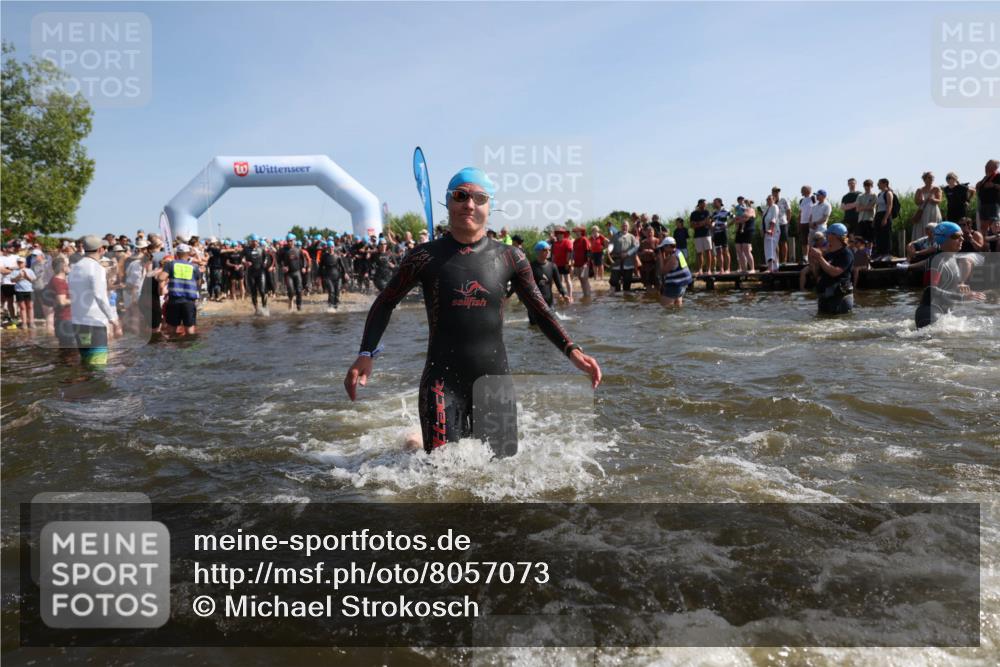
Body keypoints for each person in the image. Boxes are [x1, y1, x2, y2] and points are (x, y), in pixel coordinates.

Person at [344, 167, 601, 456]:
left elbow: (540, 311)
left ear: (489, 206)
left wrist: (572, 350)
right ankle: (414, 442)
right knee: (440, 476)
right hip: (441, 384)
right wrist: (366, 353)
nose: (469, 204)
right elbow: (385, 302)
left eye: (479, 198)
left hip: (495, 382)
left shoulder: (510, 257)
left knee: (503, 473)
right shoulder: (423, 257)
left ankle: (415, 441)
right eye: (461, 196)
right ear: (448, 203)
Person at [914, 221, 986, 328]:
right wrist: (962, 297)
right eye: (956, 236)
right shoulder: (936, 261)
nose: (962, 239)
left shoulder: (951, 258)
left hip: (944, 315)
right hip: (929, 315)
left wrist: (960, 289)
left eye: (962, 236)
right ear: (943, 238)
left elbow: (945, 286)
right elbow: (930, 290)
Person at [68, 235, 121, 365]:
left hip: (78, 323)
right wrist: (113, 320)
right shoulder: (96, 268)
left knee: (86, 363)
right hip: (94, 324)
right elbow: (100, 296)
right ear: (100, 249)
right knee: (98, 367)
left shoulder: (75, 267)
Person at [808, 223, 854, 315]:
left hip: (839, 299)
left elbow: (835, 272)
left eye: (828, 234)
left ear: (835, 236)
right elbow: (818, 275)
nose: (826, 236)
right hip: (825, 297)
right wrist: (814, 262)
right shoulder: (828, 254)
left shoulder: (846, 253)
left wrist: (820, 258)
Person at [158, 243, 202, 336]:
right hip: (189, 301)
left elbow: (161, 278)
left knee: (171, 329)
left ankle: (174, 349)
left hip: (174, 301)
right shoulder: (194, 267)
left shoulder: (171, 264)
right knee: (190, 330)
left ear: (177, 254)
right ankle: (190, 347)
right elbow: (199, 283)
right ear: (188, 254)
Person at [43, 255, 75, 348]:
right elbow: (62, 301)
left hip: (63, 320)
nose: (69, 267)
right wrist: (77, 301)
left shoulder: (57, 280)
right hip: (65, 321)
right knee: (70, 352)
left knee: (66, 352)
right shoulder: (59, 282)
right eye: (68, 265)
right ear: (63, 267)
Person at [656, 236, 692, 307]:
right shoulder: (678, 252)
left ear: (668, 246)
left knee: (664, 308)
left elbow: (662, 271)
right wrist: (662, 254)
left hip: (675, 285)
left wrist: (660, 256)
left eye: (663, 247)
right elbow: (667, 262)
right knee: (677, 308)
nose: (663, 249)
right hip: (682, 284)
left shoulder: (673, 257)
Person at [279, 234, 310, 310]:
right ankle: (290, 301)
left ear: (294, 241)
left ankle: (299, 307)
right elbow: (278, 260)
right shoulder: (283, 250)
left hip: (297, 272)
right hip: (288, 274)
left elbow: (304, 260)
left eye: (291, 241)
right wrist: (283, 266)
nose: (289, 242)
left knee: (299, 290)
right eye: (288, 241)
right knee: (291, 290)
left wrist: (304, 267)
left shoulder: (298, 250)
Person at [243, 234, 271, 316]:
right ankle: (256, 309)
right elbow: (242, 258)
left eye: (256, 241)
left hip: (260, 272)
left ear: (258, 241)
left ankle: (264, 307)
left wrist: (265, 263)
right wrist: (245, 262)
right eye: (253, 241)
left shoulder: (261, 249)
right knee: (253, 292)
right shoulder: (246, 249)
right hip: (251, 273)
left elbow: (266, 257)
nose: (255, 243)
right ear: (250, 241)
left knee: (262, 291)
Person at [609, 220, 640, 292]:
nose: (624, 227)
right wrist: (609, 252)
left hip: (628, 263)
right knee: (614, 282)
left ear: (628, 227)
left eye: (626, 226)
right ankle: (617, 300)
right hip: (617, 262)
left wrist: (627, 254)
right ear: (620, 227)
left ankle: (626, 301)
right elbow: (610, 247)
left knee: (627, 283)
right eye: (623, 225)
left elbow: (636, 247)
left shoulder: (632, 237)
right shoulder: (615, 236)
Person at [913, 172, 943, 244]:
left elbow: (939, 200)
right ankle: (922, 244)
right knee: (922, 227)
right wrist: (921, 201)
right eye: (929, 177)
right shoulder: (919, 190)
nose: (931, 179)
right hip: (923, 211)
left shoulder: (936, 189)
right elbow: (916, 202)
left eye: (932, 177)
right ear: (925, 179)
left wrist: (933, 200)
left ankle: (935, 244)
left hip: (933, 210)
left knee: (934, 226)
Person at [319, 241, 350, 311]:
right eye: (329, 247)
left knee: (337, 292)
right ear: (327, 248)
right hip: (328, 277)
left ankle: (336, 308)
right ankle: (330, 308)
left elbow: (342, 266)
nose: (331, 249)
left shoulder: (337, 256)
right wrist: (318, 277)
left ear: (334, 247)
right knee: (331, 291)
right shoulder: (324, 257)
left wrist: (345, 273)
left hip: (337, 277)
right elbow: (320, 267)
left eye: (332, 247)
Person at [975, 159, 1000, 238]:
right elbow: (980, 189)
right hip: (983, 204)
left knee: (994, 225)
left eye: (988, 166)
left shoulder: (998, 175)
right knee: (983, 227)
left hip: (993, 204)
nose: (985, 168)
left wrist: (994, 185)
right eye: (986, 166)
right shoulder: (985, 177)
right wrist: (978, 186)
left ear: (995, 167)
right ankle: (984, 245)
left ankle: (997, 245)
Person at [10, 257, 37, 328]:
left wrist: (26, 276)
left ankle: (31, 322)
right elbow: (12, 280)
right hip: (19, 291)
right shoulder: (14, 271)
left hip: (29, 290)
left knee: (30, 306)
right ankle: (24, 323)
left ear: (25, 263)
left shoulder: (29, 270)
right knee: (22, 307)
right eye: (19, 262)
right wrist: (19, 276)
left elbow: (33, 280)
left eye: (21, 262)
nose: (20, 264)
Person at [874, 178, 895, 261]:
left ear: (884, 183)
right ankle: (880, 253)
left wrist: (885, 218)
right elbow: (878, 207)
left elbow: (889, 206)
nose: (878, 185)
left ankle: (887, 254)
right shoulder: (879, 194)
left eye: (879, 183)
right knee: (879, 235)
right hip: (879, 215)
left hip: (885, 214)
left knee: (886, 235)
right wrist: (875, 219)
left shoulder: (888, 193)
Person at [551, 227, 574, 300]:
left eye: (561, 233)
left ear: (563, 234)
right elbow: (553, 255)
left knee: (567, 279)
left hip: (565, 264)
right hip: (556, 264)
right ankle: (561, 294)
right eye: (558, 233)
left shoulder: (567, 241)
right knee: (559, 280)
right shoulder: (555, 244)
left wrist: (568, 263)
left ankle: (570, 296)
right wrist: (552, 264)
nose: (559, 235)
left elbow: (569, 253)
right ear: (556, 235)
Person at [690, 199, 713, 275]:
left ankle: (708, 269)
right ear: (699, 204)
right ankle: (700, 269)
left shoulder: (707, 212)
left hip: (707, 234)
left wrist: (698, 224)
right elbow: (692, 225)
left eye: (705, 204)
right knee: (699, 253)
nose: (705, 205)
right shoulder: (693, 213)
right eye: (704, 204)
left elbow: (708, 221)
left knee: (708, 252)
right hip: (697, 235)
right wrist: (702, 223)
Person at [710, 198, 732, 273]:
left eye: (715, 202)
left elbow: (734, 218)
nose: (713, 204)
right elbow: (711, 222)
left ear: (719, 203)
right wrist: (712, 225)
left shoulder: (726, 210)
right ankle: (721, 269)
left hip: (723, 232)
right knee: (718, 252)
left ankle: (728, 269)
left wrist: (727, 225)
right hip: (716, 233)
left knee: (725, 251)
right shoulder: (714, 213)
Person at [771, 186, 791, 265]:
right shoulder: (771, 201)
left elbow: (789, 211)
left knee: (783, 242)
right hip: (774, 225)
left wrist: (788, 222)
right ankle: (777, 260)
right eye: (775, 191)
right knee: (775, 243)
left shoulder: (784, 200)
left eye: (777, 191)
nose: (776, 193)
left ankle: (784, 261)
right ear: (772, 192)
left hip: (783, 223)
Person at [855, 179, 878, 245]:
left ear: (872, 186)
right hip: (861, 220)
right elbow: (857, 209)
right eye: (865, 185)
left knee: (870, 239)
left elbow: (872, 207)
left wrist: (863, 207)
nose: (867, 187)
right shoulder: (860, 196)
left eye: (868, 185)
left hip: (870, 220)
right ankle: (863, 254)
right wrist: (867, 207)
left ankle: (870, 253)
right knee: (861, 239)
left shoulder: (874, 195)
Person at [571, 226, 592, 299]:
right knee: (580, 279)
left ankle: (588, 295)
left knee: (584, 279)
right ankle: (585, 295)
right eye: (575, 231)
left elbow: (588, 252)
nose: (576, 233)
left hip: (584, 263)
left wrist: (586, 263)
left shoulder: (584, 240)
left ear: (581, 232)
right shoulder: (575, 241)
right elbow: (573, 253)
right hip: (577, 263)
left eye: (577, 231)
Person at [797, 185, 815, 263]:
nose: (801, 191)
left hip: (811, 222)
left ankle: (813, 256)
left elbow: (816, 209)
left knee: (811, 240)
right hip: (803, 222)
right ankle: (805, 257)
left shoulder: (814, 198)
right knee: (804, 241)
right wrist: (799, 223)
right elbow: (800, 212)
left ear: (808, 190)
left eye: (803, 190)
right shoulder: (802, 200)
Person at [762, 194, 780, 272]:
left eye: (770, 199)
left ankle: (770, 268)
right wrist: (762, 230)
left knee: (770, 249)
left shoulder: (775, 207)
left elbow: (774, 218)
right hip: (766, 231)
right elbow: (763, 220)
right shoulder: (766, 208)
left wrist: (771, 229)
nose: (768, 201)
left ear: (774, 199)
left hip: (773, 231)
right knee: (768, 248)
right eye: (767, 199)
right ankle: (775, 267)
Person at [638, 224, 659, 290]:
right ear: (646, 233)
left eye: (651, 232)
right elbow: (638, 253)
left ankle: (655, 298)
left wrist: (652, 252)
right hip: (645, 265)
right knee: (647, 285)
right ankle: (649, 297)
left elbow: (660, 253)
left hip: (655, 265)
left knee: (657, 284)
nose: (650, 233)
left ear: (654, 233)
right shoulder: (642, 242)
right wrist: (643, 252)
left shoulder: (657, 241)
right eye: (648, 232)